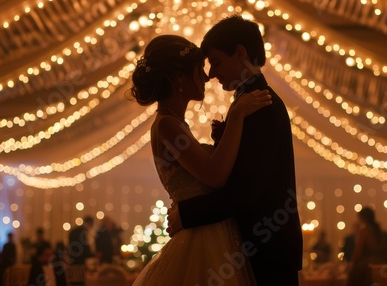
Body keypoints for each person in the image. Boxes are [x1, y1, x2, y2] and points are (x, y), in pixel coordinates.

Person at [167, 15, 303, 285]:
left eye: (216, 62)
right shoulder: (248, 101)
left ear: (240, 53)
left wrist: (188, 213)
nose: (212, 74)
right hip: (257, 245)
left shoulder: (260, 104)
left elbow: (247, 189)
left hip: (265, 248)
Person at [129, 34, 272, 285]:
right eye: (199, 70)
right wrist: (236, 118)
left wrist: (222, 139)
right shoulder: (167, 125)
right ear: (179, 78)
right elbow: (214, 176)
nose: (207, 77)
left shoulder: (174, 123)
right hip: (201, 240)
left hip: (208, 232)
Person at [346, 207, 387, 286]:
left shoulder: (364, 231)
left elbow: (358, 252)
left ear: (362, 218)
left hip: (369, 270)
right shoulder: (379, 231)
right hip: (383, 268)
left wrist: (352, 265)